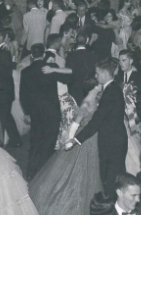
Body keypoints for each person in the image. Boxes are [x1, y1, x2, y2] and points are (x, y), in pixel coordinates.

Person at [29, 68, 113, 214]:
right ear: (94, 86)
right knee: (80, 170)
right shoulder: (86, 103)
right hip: (84, 140)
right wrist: (69, 140)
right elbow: (75, 124)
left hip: (93, 139)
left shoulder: (97, 99)